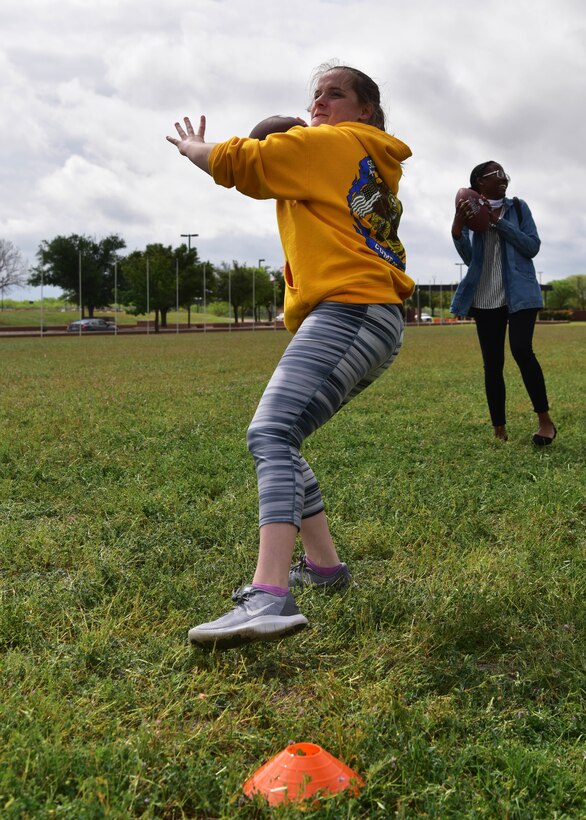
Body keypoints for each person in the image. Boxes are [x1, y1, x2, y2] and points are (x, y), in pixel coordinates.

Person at [167, 63, 414, 649]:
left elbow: (242, 167)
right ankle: (324, 567)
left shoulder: (332, 142)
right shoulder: (359, 160)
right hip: (368, 314)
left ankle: (269, 596)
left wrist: (196, 148)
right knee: (283, 436)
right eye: (316, 96)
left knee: (270, 435)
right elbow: (277, 171)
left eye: (336, 94)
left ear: (366, 111)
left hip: (352, 311)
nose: (321, 104)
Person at [450, 161, 556, 445]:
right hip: (486, 295)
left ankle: (545, 422)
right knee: (492, 364)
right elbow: (471, 258)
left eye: (504, 174)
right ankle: (499, 430)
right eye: (495, 175)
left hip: (520, 293)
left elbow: (531, 246)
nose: (502, 179)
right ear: (478, 182)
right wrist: (458, 230)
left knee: (522, 350)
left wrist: (498, 222)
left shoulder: (519, 208)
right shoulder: (471, 210)